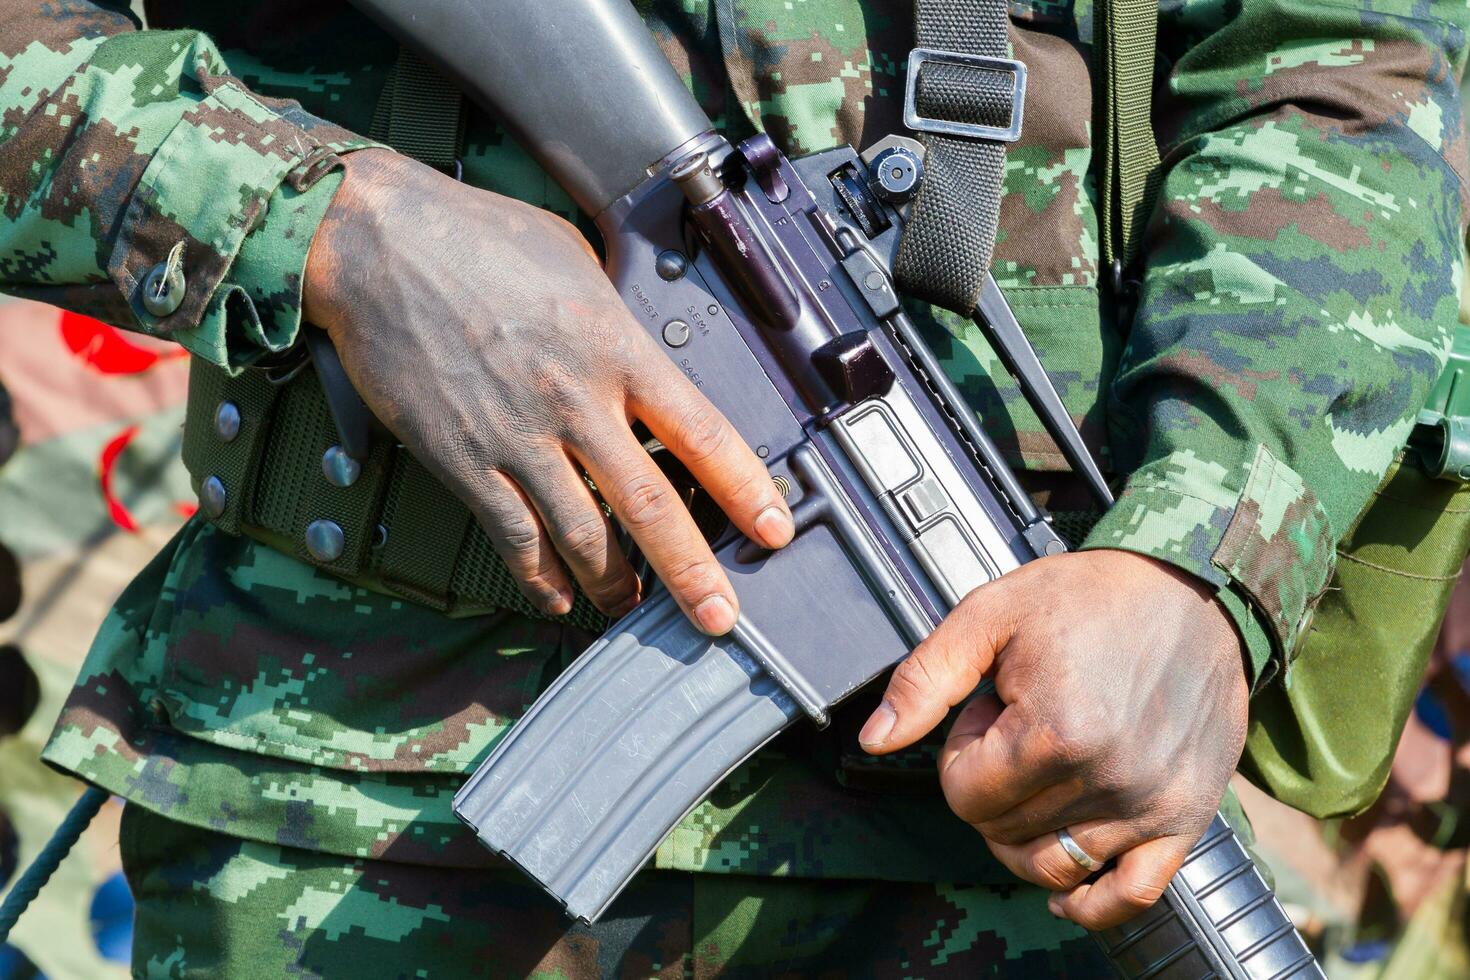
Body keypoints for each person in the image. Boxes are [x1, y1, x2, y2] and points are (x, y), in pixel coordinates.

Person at [1, 0, 1465, 975]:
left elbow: (1341, 63)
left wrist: (1198, 559)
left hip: (1037, 799)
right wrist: (322, 220)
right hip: (360, 813)